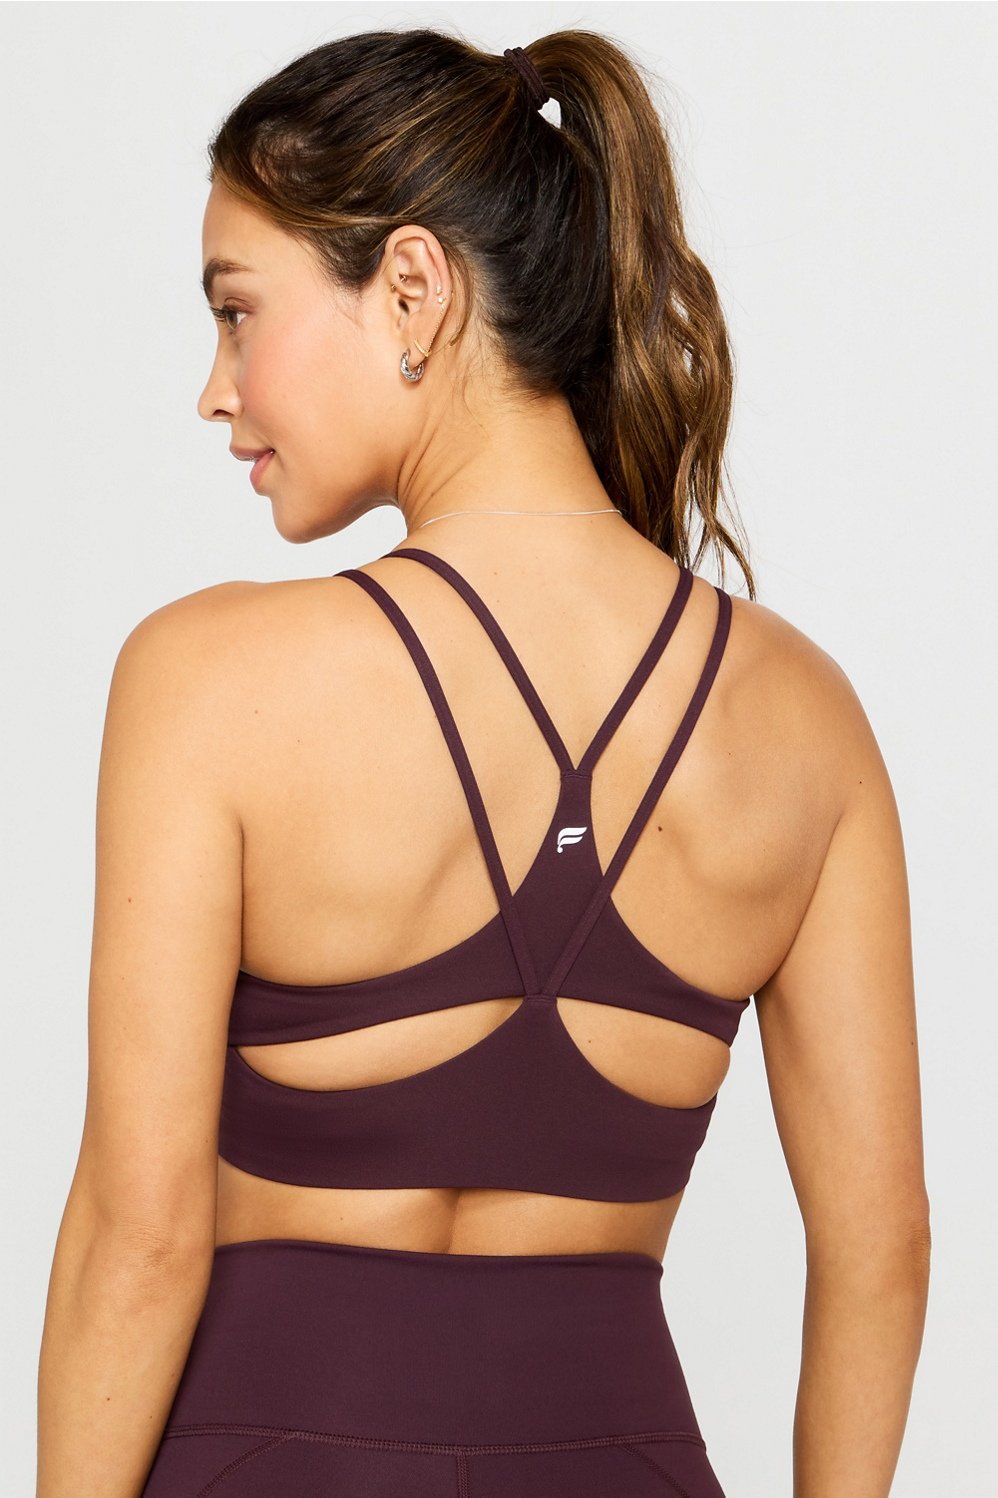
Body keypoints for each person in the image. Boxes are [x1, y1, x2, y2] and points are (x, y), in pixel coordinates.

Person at [35, 27, 930, 1498]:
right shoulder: (804, 720)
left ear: (412, 286)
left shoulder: (207, 681)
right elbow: (881, 1243)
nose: (215, 389)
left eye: (238, 312)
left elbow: (139, 1235)